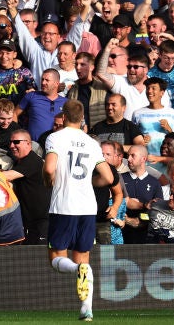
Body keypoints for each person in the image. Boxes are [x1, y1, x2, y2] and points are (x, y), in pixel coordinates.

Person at [43, 100, 114, 322]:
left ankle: (76, 271)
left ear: (63, 116)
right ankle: (86, 310)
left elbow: (49, 168)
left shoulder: (55, 137)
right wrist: (88, 183)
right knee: (84, 258)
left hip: (64, 205)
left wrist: (49, 181)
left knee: (56, 259)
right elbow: (109, 178)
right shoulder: (91, 143)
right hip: (87, 207)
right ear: (82, 118)